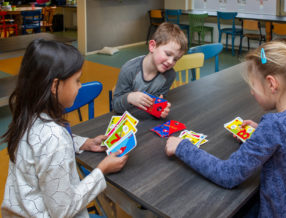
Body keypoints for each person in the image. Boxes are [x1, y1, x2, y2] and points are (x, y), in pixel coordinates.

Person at [165, 41, 286, 217]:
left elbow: (228, 174)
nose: (251, 92)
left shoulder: (274, 125)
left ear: (271, 84)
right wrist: (260, 133)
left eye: (253, 85)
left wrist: (182, 147)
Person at [1, 39, 128, 218]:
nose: (80, 86)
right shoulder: (54, 137)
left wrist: (84, 143)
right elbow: (63, 210)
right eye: (77, 81)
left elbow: (41, 147)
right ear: (54, 86)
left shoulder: (28, 116)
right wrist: (102, 170)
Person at [112, 22, 188, 118]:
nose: (170, 62)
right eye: (168, 54)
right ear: (152, 46)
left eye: (175, 59)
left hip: (144, 119)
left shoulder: (169, 75)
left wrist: (160, 109)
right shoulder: (129, 70)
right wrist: (130, 97)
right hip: (124, 120)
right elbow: (115, 105)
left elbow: (156, 102)